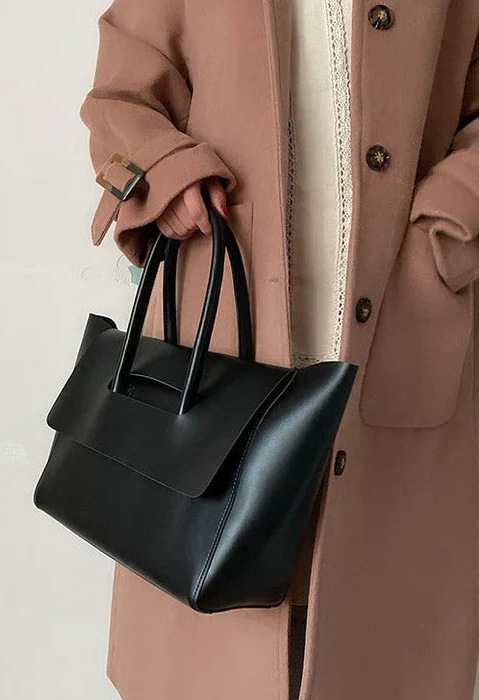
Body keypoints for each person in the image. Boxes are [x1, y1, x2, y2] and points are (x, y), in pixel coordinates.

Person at [79, 1, 479, 698]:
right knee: (219, 647)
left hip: (404, 336)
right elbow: (123, 91)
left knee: (375, 631)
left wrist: (453, 223)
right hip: (221, 338)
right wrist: (165, 173)